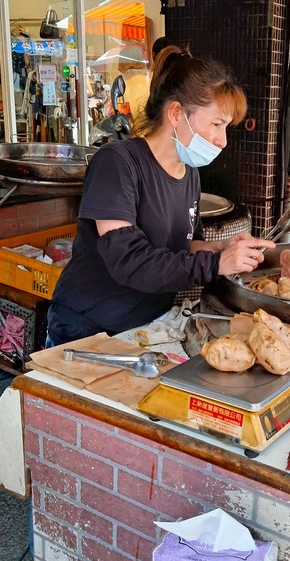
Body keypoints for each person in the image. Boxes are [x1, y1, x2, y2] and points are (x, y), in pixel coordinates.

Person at [47, 45, 273, 345]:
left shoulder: (188, 171)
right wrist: (216, 265)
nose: (222, 140)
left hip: (149, 324)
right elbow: (128, 260)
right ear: (177, 113)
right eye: (217, 124)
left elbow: (183, 245)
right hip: (91, 328)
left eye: (226, 127)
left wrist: (221, 248)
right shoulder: (117, 164)